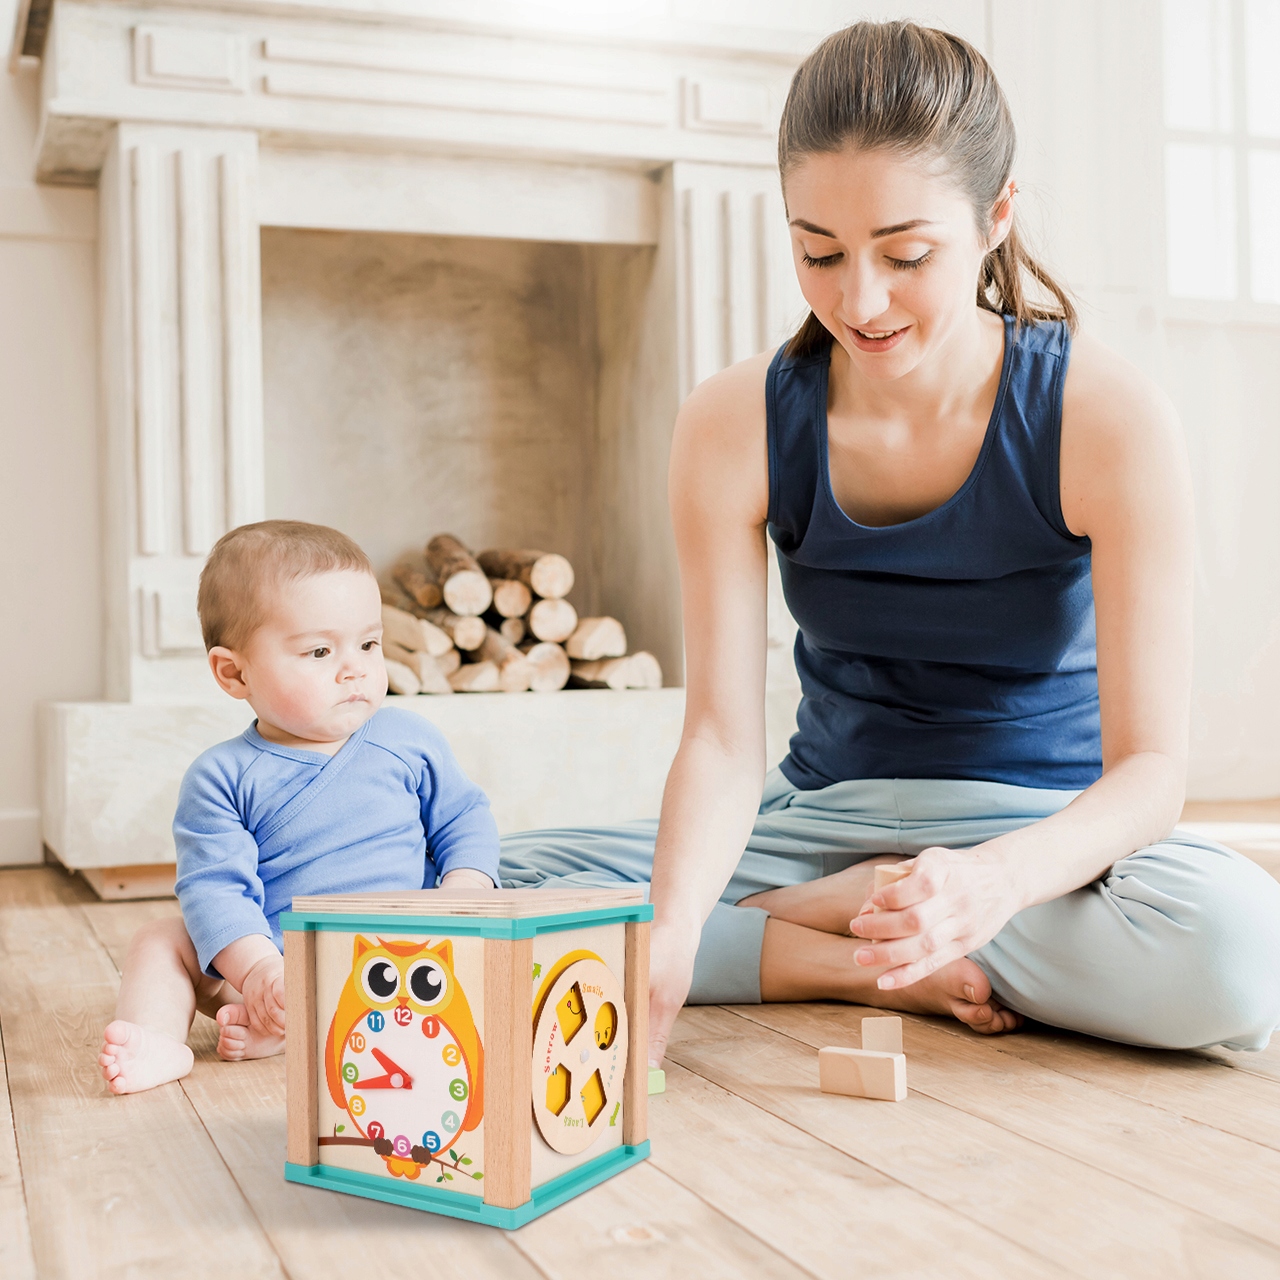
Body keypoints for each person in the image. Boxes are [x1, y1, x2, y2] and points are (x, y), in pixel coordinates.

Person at [501, 20, 1280, 1064]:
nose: (855, 301)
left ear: (995, 215)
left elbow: (1148, 771)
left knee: (1231, 950)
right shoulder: (733, 420)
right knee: (485, 882)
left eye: (904, 254)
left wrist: (989, 881)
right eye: (816, 250)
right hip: (824, 814)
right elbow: (724, 740)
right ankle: (858, 938)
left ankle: (827, 930)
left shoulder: (1102, 415)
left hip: (1032, 834)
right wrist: (675, 928)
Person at [97, 521, 499, 1095]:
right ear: (233, 672)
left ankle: (297, 1028)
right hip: (278, 971)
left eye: (369, 644)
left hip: (410, 961)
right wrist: (261, 972)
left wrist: (466, 889)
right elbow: (216, 890)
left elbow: (464, 818)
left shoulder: (409, 739)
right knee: (161, 940)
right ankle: (163, 1039)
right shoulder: (223, 777)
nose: (355, 667)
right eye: (319, 650)